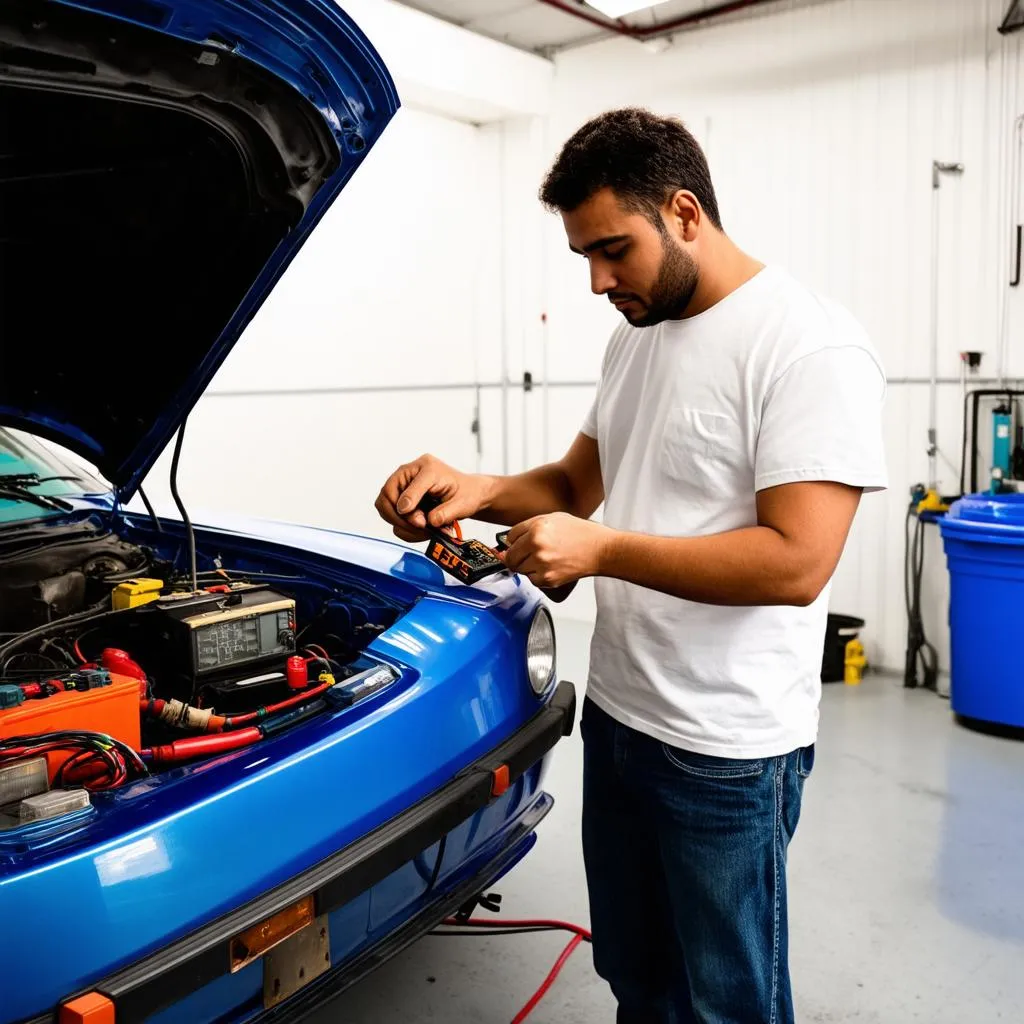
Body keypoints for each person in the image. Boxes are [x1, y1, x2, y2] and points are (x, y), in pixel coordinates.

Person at [375, 107, 887, 1024]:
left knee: (728, 1001)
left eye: (614, 250)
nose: (599, 280)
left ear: (684, 212)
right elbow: (577, 480)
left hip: (727, 749)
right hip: (620, 717)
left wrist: (602, 549)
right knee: (638, 977)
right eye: (585, 257)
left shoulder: (808, 345)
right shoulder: (635, 336)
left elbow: (797, 562)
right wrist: (475, 486)